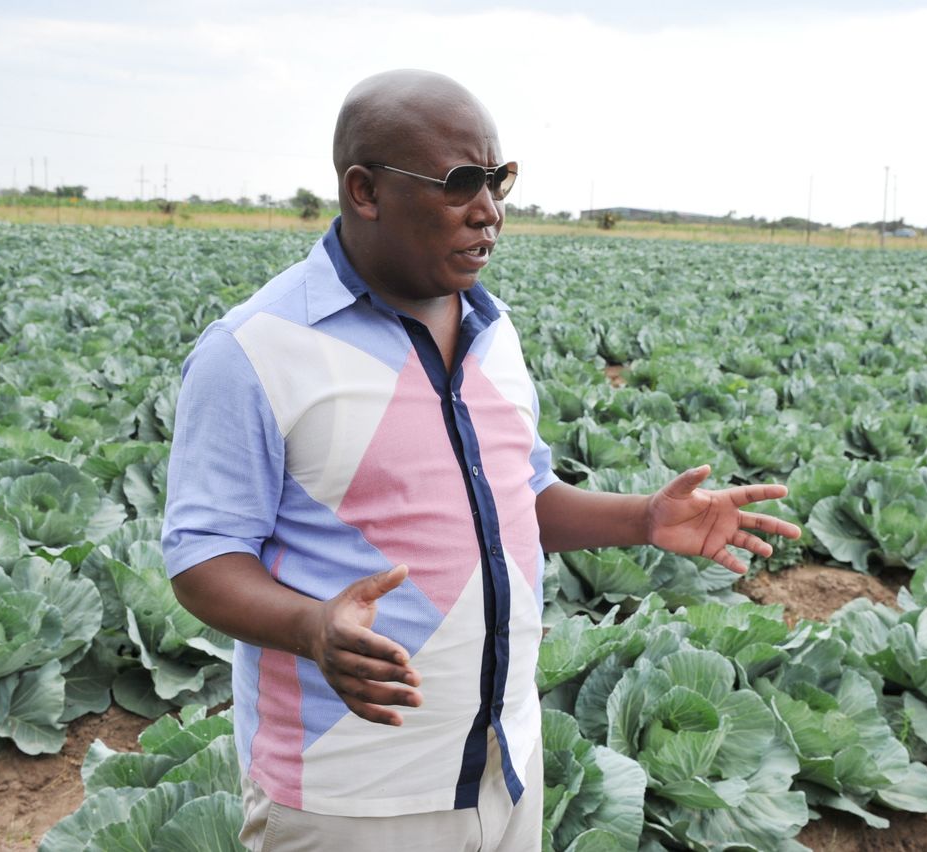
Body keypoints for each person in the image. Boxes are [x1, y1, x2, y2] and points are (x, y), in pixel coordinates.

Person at [162, 69, 801, 852]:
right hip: (352, 794)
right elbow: (201, 555)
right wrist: (310, 626)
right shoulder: (256, 350)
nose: (489, 210)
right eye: (460, 182)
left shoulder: (494, 333)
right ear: (364, 191)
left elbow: (518, 499)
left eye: (499, 181)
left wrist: (643, 519)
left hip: (505, 765)